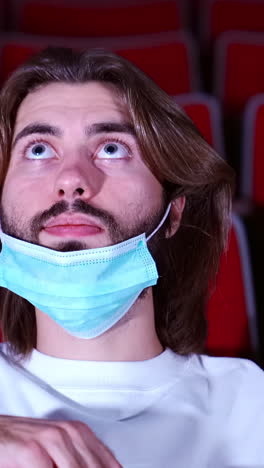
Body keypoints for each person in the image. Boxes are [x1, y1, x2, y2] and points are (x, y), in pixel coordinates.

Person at [0, 47, 263, 468]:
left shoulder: (252, 404)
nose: (71, 179)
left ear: (173, 213)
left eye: (111, 149)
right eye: (37, 150)